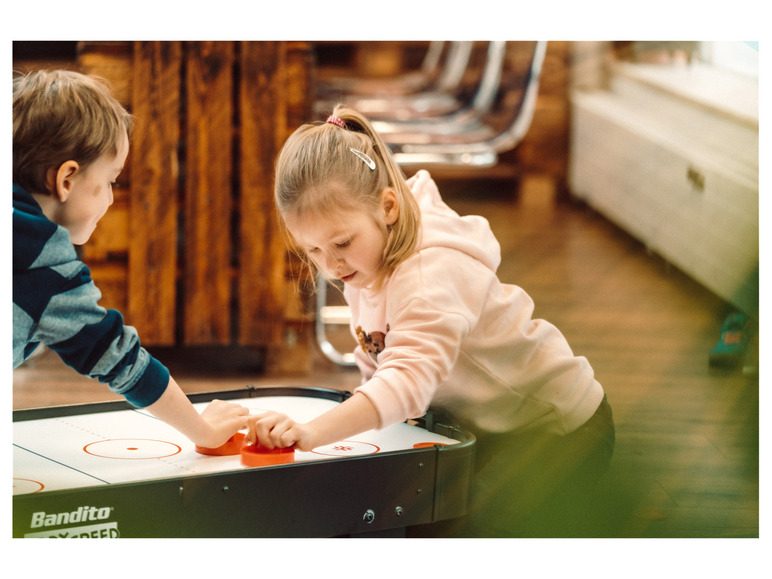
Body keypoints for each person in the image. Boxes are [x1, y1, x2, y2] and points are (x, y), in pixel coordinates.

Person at [246, 104, 616, 537]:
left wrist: (311, 433)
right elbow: (381, 359)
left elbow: (406, 381)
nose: (330, 264)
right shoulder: (363, 259)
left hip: (556, 429)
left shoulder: (429, 272)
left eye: (341, 242)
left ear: (388, 207)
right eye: (312, 250)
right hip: (476, 423)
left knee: (466, 533)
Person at [13, 69, 248, 449]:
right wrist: (203, 431)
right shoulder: (45, 266)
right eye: (111, 181)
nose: (110, 197)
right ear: (66, 180)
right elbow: (118, 356)